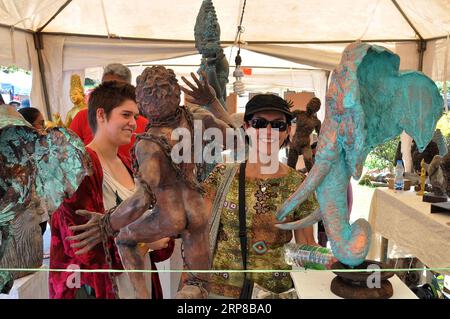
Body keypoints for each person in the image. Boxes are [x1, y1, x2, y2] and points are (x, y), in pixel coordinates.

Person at [49, 81, 173, 299]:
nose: (133, 123)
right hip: (98, 288)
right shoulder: (78, 168)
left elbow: (160, 232)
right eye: (126, 115)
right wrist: (145, 243)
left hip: (139, 284)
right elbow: (81, 247)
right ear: (101, 114)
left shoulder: (128, 163)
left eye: (135, 116)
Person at [199, 94, 318, 299]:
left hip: (274, 292)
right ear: (247, 127)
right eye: (259, 123)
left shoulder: (299, 185)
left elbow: (305, 244)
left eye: (278, 125)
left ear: (288, 130)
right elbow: (198, 232)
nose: (269, 131)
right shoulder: (222, 174)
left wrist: (341, 259)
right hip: (221, 291)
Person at [69, 63, 147, 167]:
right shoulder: (82, 116)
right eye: (106, 88)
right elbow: (69, 155)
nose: (110, 94)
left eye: (117, 90)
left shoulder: (144, 124)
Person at [17, 107, 47, 234]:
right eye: (41, 123)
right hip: (26, 219)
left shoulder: (38, 149)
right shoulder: (17, 154)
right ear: (28, 126)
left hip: (40, 214)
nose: (44, 128)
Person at [287, 97, 322, 171]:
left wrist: (320, 148)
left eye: (315, 104)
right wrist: (285, 107)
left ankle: (311, 181)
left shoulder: (316, 122)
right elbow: (286, 118)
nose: (312, 105)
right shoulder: (299, 113)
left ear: (317, 109)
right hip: (295, 143)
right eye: (311, 102)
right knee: (290, 166)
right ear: (308, 104)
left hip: (305, 145)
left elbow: (321, 136)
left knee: (309, 164)